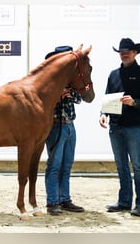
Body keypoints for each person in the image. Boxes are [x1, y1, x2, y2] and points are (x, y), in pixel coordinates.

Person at [99, 38, 140, 217]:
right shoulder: (113, 74)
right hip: (115, 127)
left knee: (138, 166)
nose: (124, 53)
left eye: (128, 51)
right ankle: (124, 202)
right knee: (121, 166)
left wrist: (135, 102)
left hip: (134, 127)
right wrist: (102, 114)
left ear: (135, 52)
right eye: (122, 51)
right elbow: (108, 97)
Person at [44, 46, 85, 215]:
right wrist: (56, 94)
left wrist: (69, 94)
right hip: (55, 125)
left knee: (66, 165)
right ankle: (52, 201)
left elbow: (79, 99)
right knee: (54, 165)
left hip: (69, 125)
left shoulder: (70, 81)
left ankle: (64, 199)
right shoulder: (48, 81)